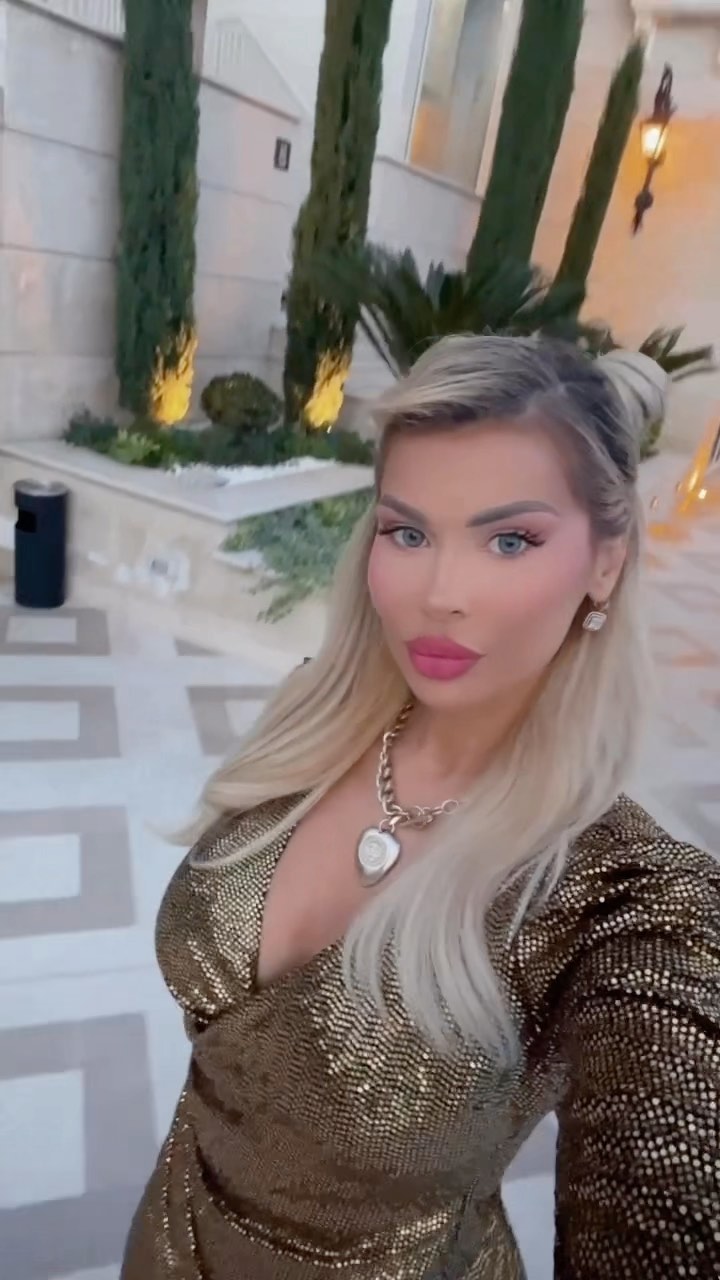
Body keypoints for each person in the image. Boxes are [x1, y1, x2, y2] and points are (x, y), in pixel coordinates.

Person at [122, 336, 720, 1280]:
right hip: (166, 1240)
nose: (439, 596)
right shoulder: (320, 717)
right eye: (408, 532)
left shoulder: (627, 899)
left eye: (510, 540)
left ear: (606, 562)